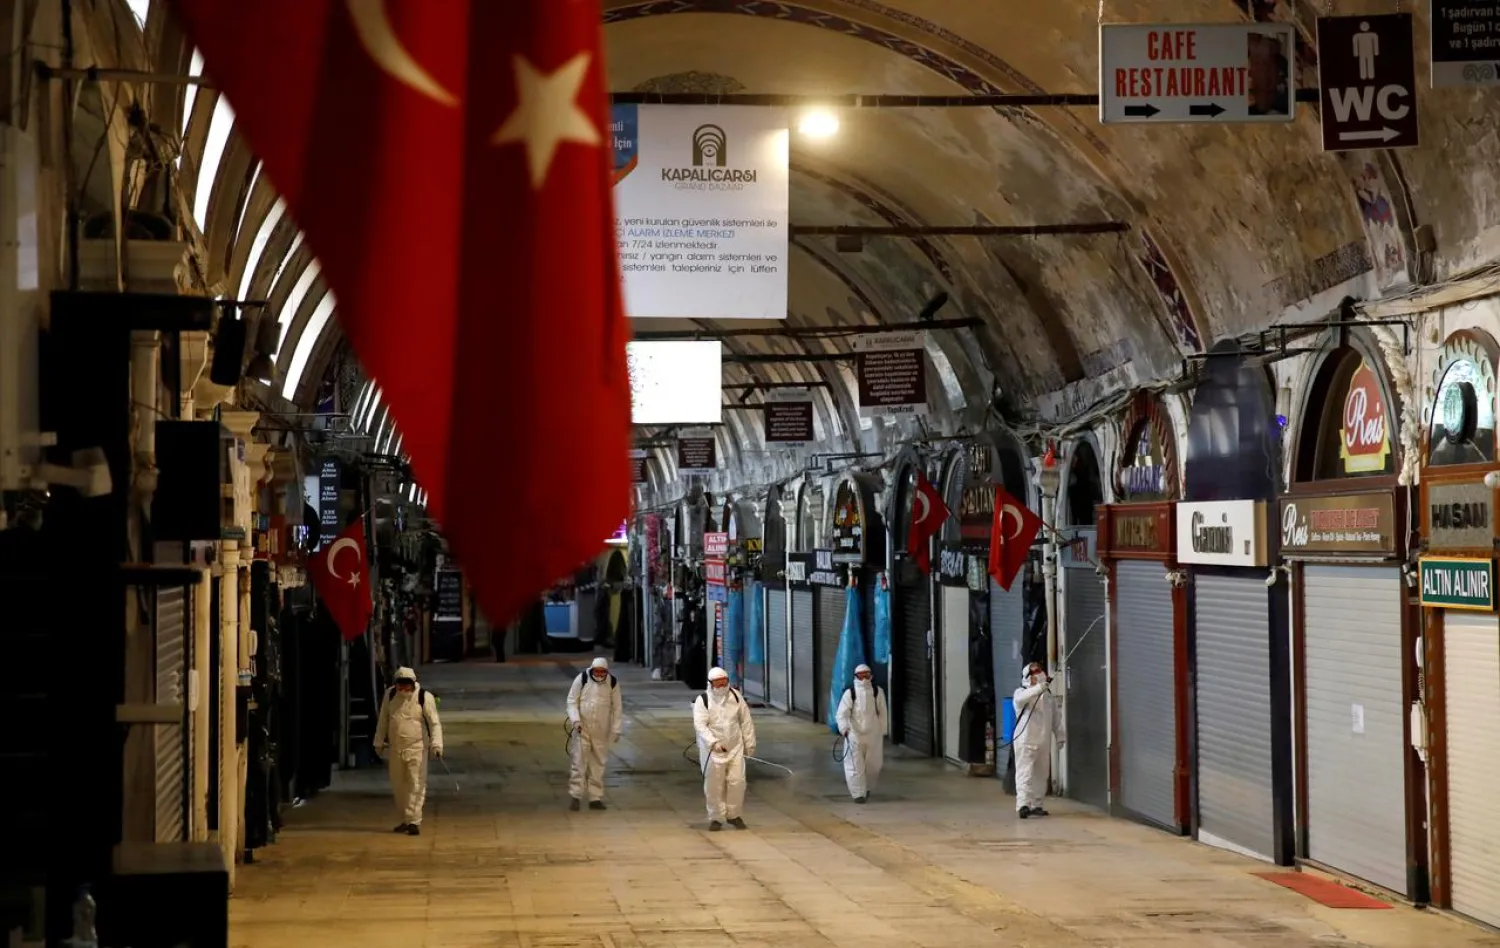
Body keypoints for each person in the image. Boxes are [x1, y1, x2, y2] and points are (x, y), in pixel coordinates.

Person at [374, 666, 444, 835]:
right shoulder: (390, 695)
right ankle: (406, 819)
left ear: (413, 684)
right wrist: (378, 742)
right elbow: (383, 719)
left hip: (417, 748)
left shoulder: (423, 697)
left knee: (416, 783)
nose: (403, 690)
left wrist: (436, 744)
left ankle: (414, 820)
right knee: (399, 785)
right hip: (396, 748)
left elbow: (434, 723)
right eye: (400, 686)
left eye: (407, 686)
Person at [692, 666, 757, 831]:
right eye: (717, 683)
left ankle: (734, 815)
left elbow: (746, 721)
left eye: (723, 682)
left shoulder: (735, 697)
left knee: (737, 781)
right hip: (713, 752)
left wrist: (749, 743)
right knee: (714, 785)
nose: (721, 686)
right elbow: (700, 725)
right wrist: (713, 743)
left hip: (735, 748)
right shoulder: (703, 700)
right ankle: (716, 817)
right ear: (710, 684)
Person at [566, 656, 623, 810]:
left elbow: (617, 708)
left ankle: (595, 797)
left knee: (598, 763)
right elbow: (571, 701)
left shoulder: (612, 683)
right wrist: (576, 720)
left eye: (602, 672)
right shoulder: (582, 679)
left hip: (601, 730)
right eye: (596, 671)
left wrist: (616, 729)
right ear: (592, 670)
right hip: (582, 728)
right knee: (579, 762)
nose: (599, 675)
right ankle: (576, 796)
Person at [1012, 661, 1064, 819]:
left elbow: (1056, 718)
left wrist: (1060, 735)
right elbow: (1021, 700)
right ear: (1029, 676)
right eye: (1035, 671)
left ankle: (1037, 804)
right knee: (1025, 773)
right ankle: (1023, 805)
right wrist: (1039, 688)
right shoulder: (1020, 692)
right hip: (1025, 741)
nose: (1039, 673)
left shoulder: (1048, 696)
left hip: (1043, 741)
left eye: (1040, 670)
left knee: (1042, 775)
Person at [835, 664, 886, 803]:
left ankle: (867, 787)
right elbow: (842, 714)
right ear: (856, 676)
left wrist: (883, 730)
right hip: (854, 734)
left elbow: (883, 713)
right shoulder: (850, 694)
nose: (864, 679)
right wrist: (844, 728)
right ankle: (858, 794)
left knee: (874, 765)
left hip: (873, 735)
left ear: (871, 675)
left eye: (867, 675)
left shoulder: (877, 692)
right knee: (855, 765)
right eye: (861, 675)